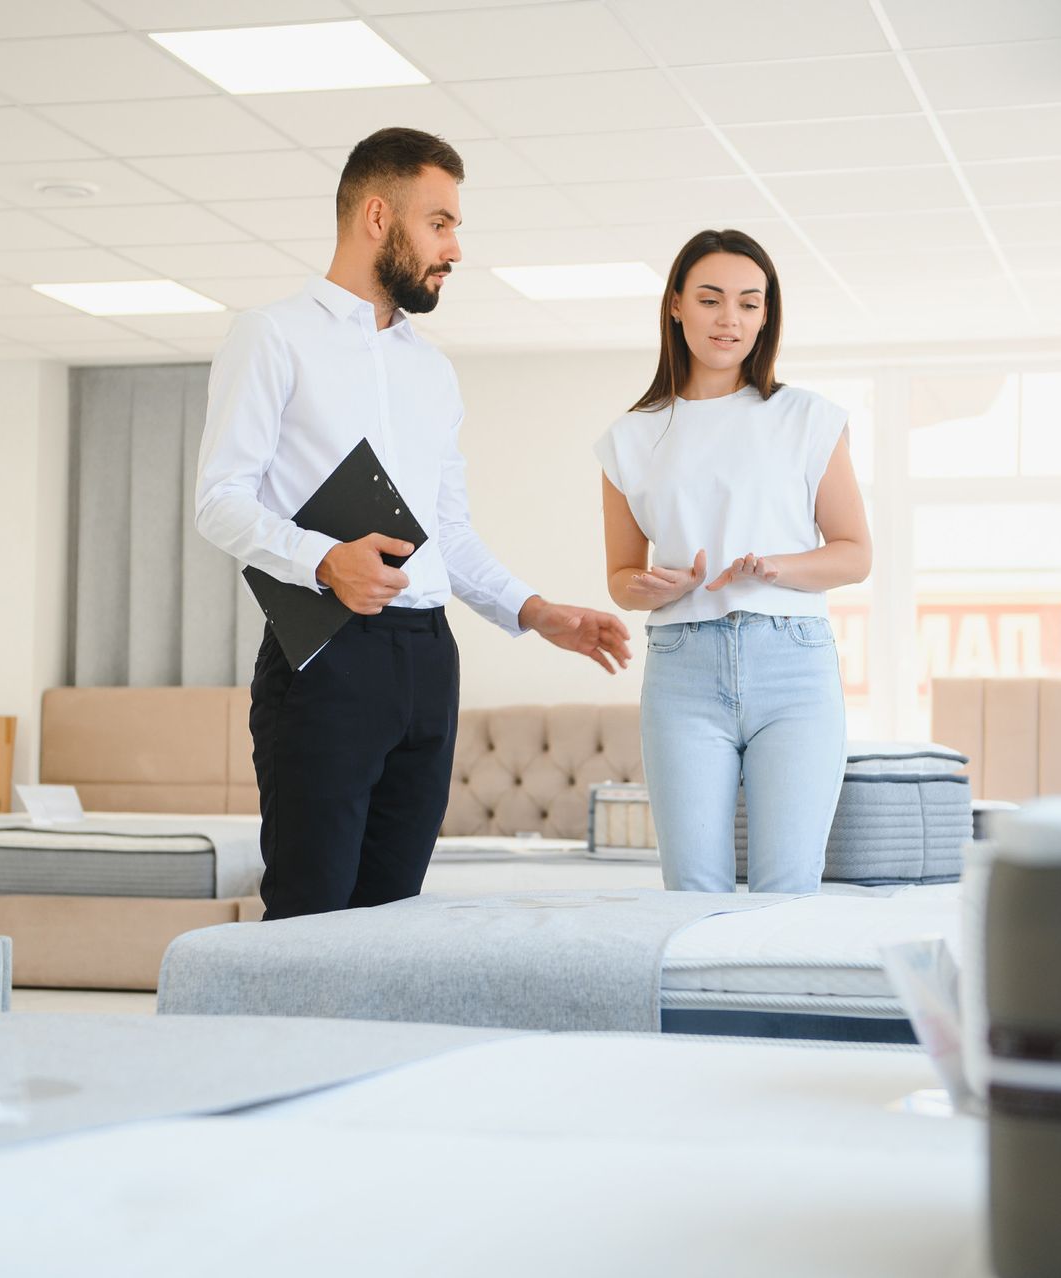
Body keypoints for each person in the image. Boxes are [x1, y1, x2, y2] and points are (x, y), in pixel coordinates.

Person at [195, 126, 632, 920]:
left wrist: (535, 612)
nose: (456, 247)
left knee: (392, 922)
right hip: (327, 657)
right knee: (309, 918)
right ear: (376, 217)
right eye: (440, 222)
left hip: (428, 663)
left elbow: (450, 532)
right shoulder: (272, 336)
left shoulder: (432, 369)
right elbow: (219, 499)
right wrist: (327, 559)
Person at [596, 228, 870, 893]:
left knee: (788, 886)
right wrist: (661, 586)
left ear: (767, 314)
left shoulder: (808, 418)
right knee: (692, 888)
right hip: (682, 673)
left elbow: (854, 554)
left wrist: (777, 568)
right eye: (712, 299)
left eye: (750, 303)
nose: (730, 319)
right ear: (676, 305)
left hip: (793, 667)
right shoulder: (630, 438)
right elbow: (621, 581)